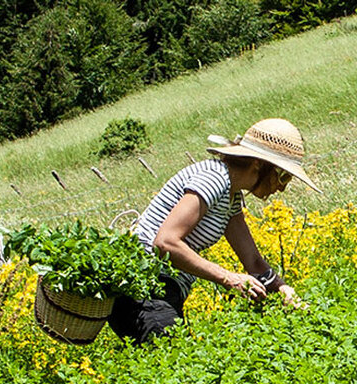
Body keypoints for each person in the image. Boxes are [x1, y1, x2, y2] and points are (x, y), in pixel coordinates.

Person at [108, 118, 322, 345]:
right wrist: (228, 278)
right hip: (145, 290)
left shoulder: (231, 194)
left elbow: (253, 261)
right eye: (283, 176)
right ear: (259, 163)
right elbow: (165, 243)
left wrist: (283, 289)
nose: (282, 186)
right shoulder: (214, 178)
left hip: (165, 292)